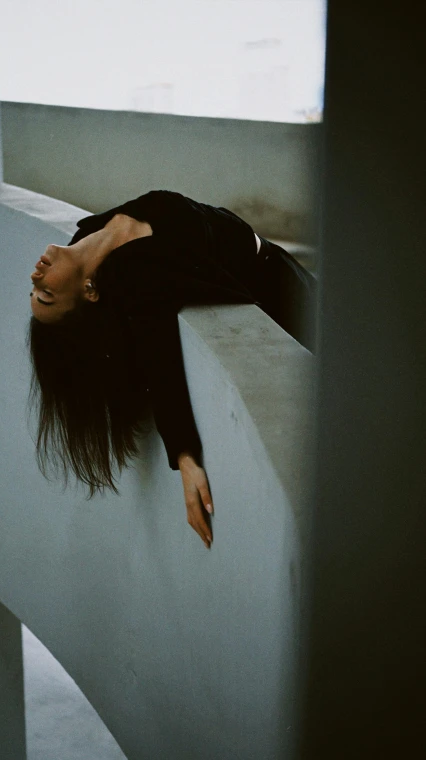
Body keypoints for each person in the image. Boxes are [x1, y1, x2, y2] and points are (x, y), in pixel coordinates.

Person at [27, 189, 316, 550]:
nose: (36, 280)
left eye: (34, 293)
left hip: (279, 261)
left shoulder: (88, 234)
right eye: (47, 295)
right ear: (89, 291)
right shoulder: (131, 275)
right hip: (282, 291)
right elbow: (158, 350)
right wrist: (185, 456)